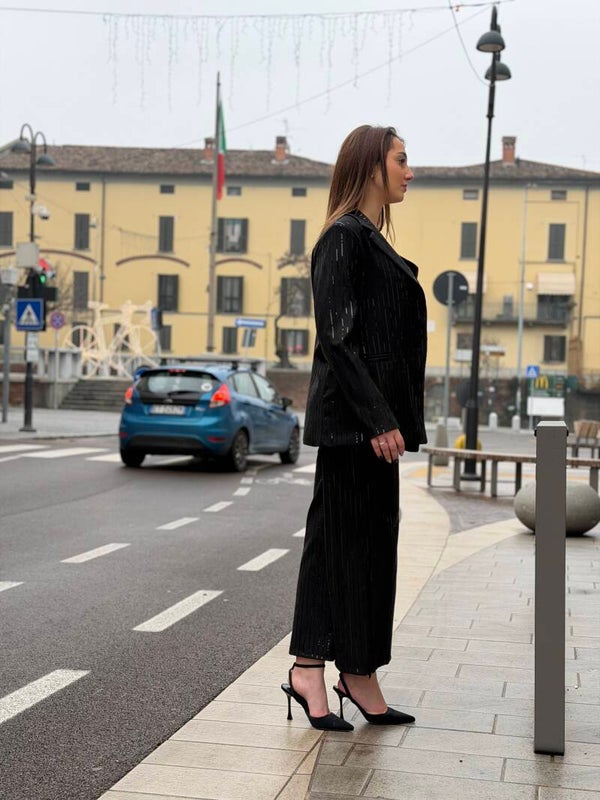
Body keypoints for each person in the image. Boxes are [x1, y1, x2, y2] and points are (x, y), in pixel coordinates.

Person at [281, 125, 428, 731]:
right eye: (400, 160)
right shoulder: (343, 238)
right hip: (356, 429)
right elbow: (337, 340)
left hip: (370, 429)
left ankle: (344, 670)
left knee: (357, 550)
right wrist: (379, 420)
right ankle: (322, 669)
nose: (409, 172)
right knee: (346, 550)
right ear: (371, 167)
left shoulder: (366, 237)